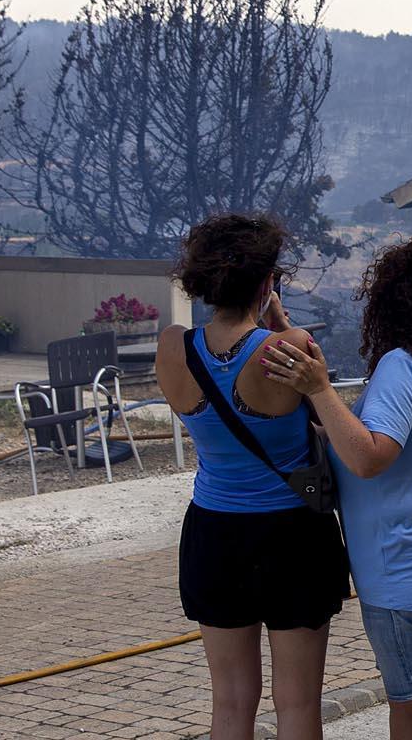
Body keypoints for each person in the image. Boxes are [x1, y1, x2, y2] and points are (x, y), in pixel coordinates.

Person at [265, 240, 412, 740]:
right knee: (408, 701)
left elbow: (368, 456)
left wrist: (319, 390)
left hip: (405, 568)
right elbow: (358, 437)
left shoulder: (399, 368)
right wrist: (287, 340)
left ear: (381, 303)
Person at [155, 213, 347, 740]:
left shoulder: (173, 346)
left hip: (213, 532)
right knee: (298, 703)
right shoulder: (289, 347)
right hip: (291, 535)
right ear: (267, 284)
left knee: (231, 703)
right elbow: (325, 414)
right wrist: (282, 325)